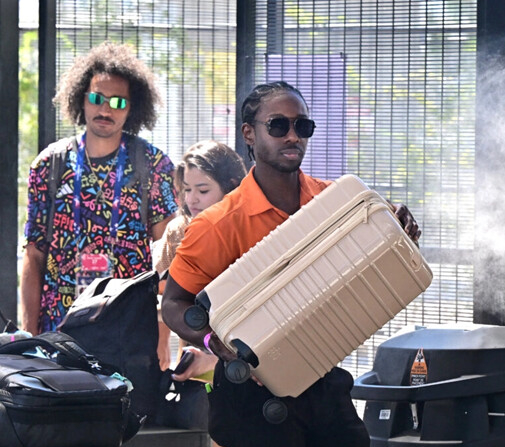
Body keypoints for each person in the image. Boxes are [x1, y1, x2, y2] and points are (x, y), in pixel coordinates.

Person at [161, 81, 421, 447]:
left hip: (323, 380)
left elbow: (375, 248)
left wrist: (397, 225)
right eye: (278, 126)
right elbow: (174, 304)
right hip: (250, 399)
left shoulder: (337, 202)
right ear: (249, 133)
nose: (293, 136)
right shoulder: (218, 224)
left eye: (303, 127)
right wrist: (212, 341)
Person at [20, 41, 179, 341]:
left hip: (129, 331)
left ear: (132, 108)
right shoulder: (48, 165)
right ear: (81, 99)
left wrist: (162, 332)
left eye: (118, 102)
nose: (106, 108)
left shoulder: (153, 164)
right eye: (97, 98)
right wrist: (30, 332)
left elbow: (168, 256)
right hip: (59, 330)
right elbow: (34, 254)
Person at [153, 139, 248, 381]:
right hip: (196, 356)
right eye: (187, 189)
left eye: (203, 190)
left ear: (231, 188)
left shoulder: (248, 227)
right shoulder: (179, 230)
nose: (191, 200)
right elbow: (161, 292)